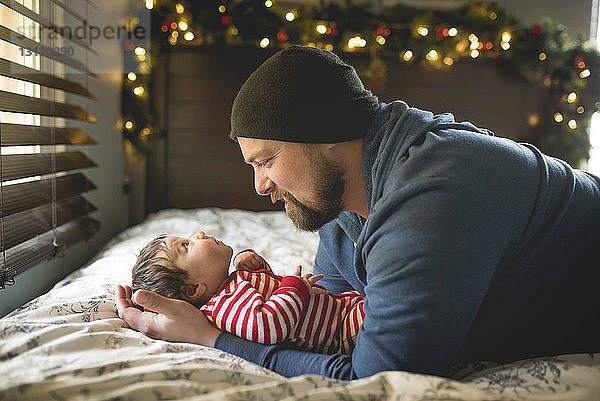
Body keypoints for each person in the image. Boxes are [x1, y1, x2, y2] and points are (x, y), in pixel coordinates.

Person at [116, 45, 600, 380]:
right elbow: (326, 306)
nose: (260, 186)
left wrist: (212, 339)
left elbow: (373, 377)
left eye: (266, 161)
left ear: (326, 132)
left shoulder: (431, 199)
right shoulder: (344, 197)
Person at [130, 231, 365, 354]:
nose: (199, 234)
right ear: (192, 289)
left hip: (341, 310)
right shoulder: (222, 307)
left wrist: (258, 267)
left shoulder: (233, 284)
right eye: (187, 245)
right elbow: (269, 325)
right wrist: (296, 286)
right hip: (340, 332)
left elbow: (271, 295)